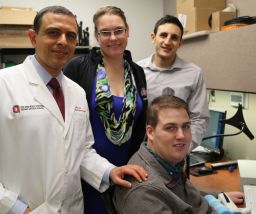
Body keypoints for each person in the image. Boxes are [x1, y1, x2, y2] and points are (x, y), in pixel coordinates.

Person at [0, 6, 148, 214]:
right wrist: (16, 208)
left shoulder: (76, 92)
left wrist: (109, 171)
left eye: (70, 36)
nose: (62, 41)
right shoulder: (4, 85)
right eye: (53, 33)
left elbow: (82, 151)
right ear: (33, 38)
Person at [63, 5, 147, 214]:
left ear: (127, 32)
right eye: (105, 33)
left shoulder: (137, 72)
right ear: (96, 36)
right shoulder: (78, 68)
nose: (113, 38)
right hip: (85, 171)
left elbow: (141, 124)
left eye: (118, 31)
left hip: (127, 171)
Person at [113, 95, 244, 213]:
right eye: (170, 128)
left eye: (186, 126)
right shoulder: (143, 193)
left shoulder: (168, 162)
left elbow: (185, 196)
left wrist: (217, 197)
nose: (182, 136)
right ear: (150, 132)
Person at [137, 15, 209, 151]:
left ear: (180, 43)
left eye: (174, 37)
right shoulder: (136, 70)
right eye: (163, 35)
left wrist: (184, 149)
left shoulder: (194, 73)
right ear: (153, 38)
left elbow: (199, 118)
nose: (168, 41)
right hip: (141, 151)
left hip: (177, 153)